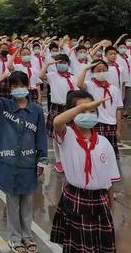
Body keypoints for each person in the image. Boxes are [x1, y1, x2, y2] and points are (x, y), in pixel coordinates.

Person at [0, 71, 47, 253]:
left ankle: (27, 236)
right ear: (10, 89)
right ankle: (15, 238)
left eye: (22, 85)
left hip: (28, 164)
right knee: (13, 202)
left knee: (27, 202)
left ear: (28, 86)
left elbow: (41, 135)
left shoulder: (37, 111)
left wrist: (41, 160)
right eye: (14, 86)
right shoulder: (3, 106)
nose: (18, 89)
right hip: (9, 164)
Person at [50, 90, 119, 253]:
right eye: (82, 110)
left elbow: (108, 177)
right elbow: (57, 121)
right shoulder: (67, 135)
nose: (87, 114)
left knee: (101, 245)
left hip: (100, 199)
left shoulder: (103, 142)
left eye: (92, 110)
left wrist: (111, 201)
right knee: (79, 247)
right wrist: (83, 107)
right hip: (76, 198)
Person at [77, 61, 123, 158]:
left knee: (111, 154)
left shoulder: (114, 89)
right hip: (96, 123)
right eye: (98, 70)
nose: (101, 72)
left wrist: (118, 129)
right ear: (93, 73)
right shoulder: (90, 85)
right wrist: (85, 69)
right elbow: (80, 85)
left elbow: (118, 110)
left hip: (111, 124)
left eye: (104, 70)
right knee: (96, 153)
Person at [39, 53, 75, 173]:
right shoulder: (53, 76)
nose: (62, 65)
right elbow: (40, 76)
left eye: (64, 63)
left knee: (69, 135)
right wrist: (48, 64)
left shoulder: (73, 77)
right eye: (59, 62)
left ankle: (68, 159)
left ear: (68, 64)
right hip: (57, 108)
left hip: (69, 108)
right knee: (56, 136)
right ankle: (59, 161)